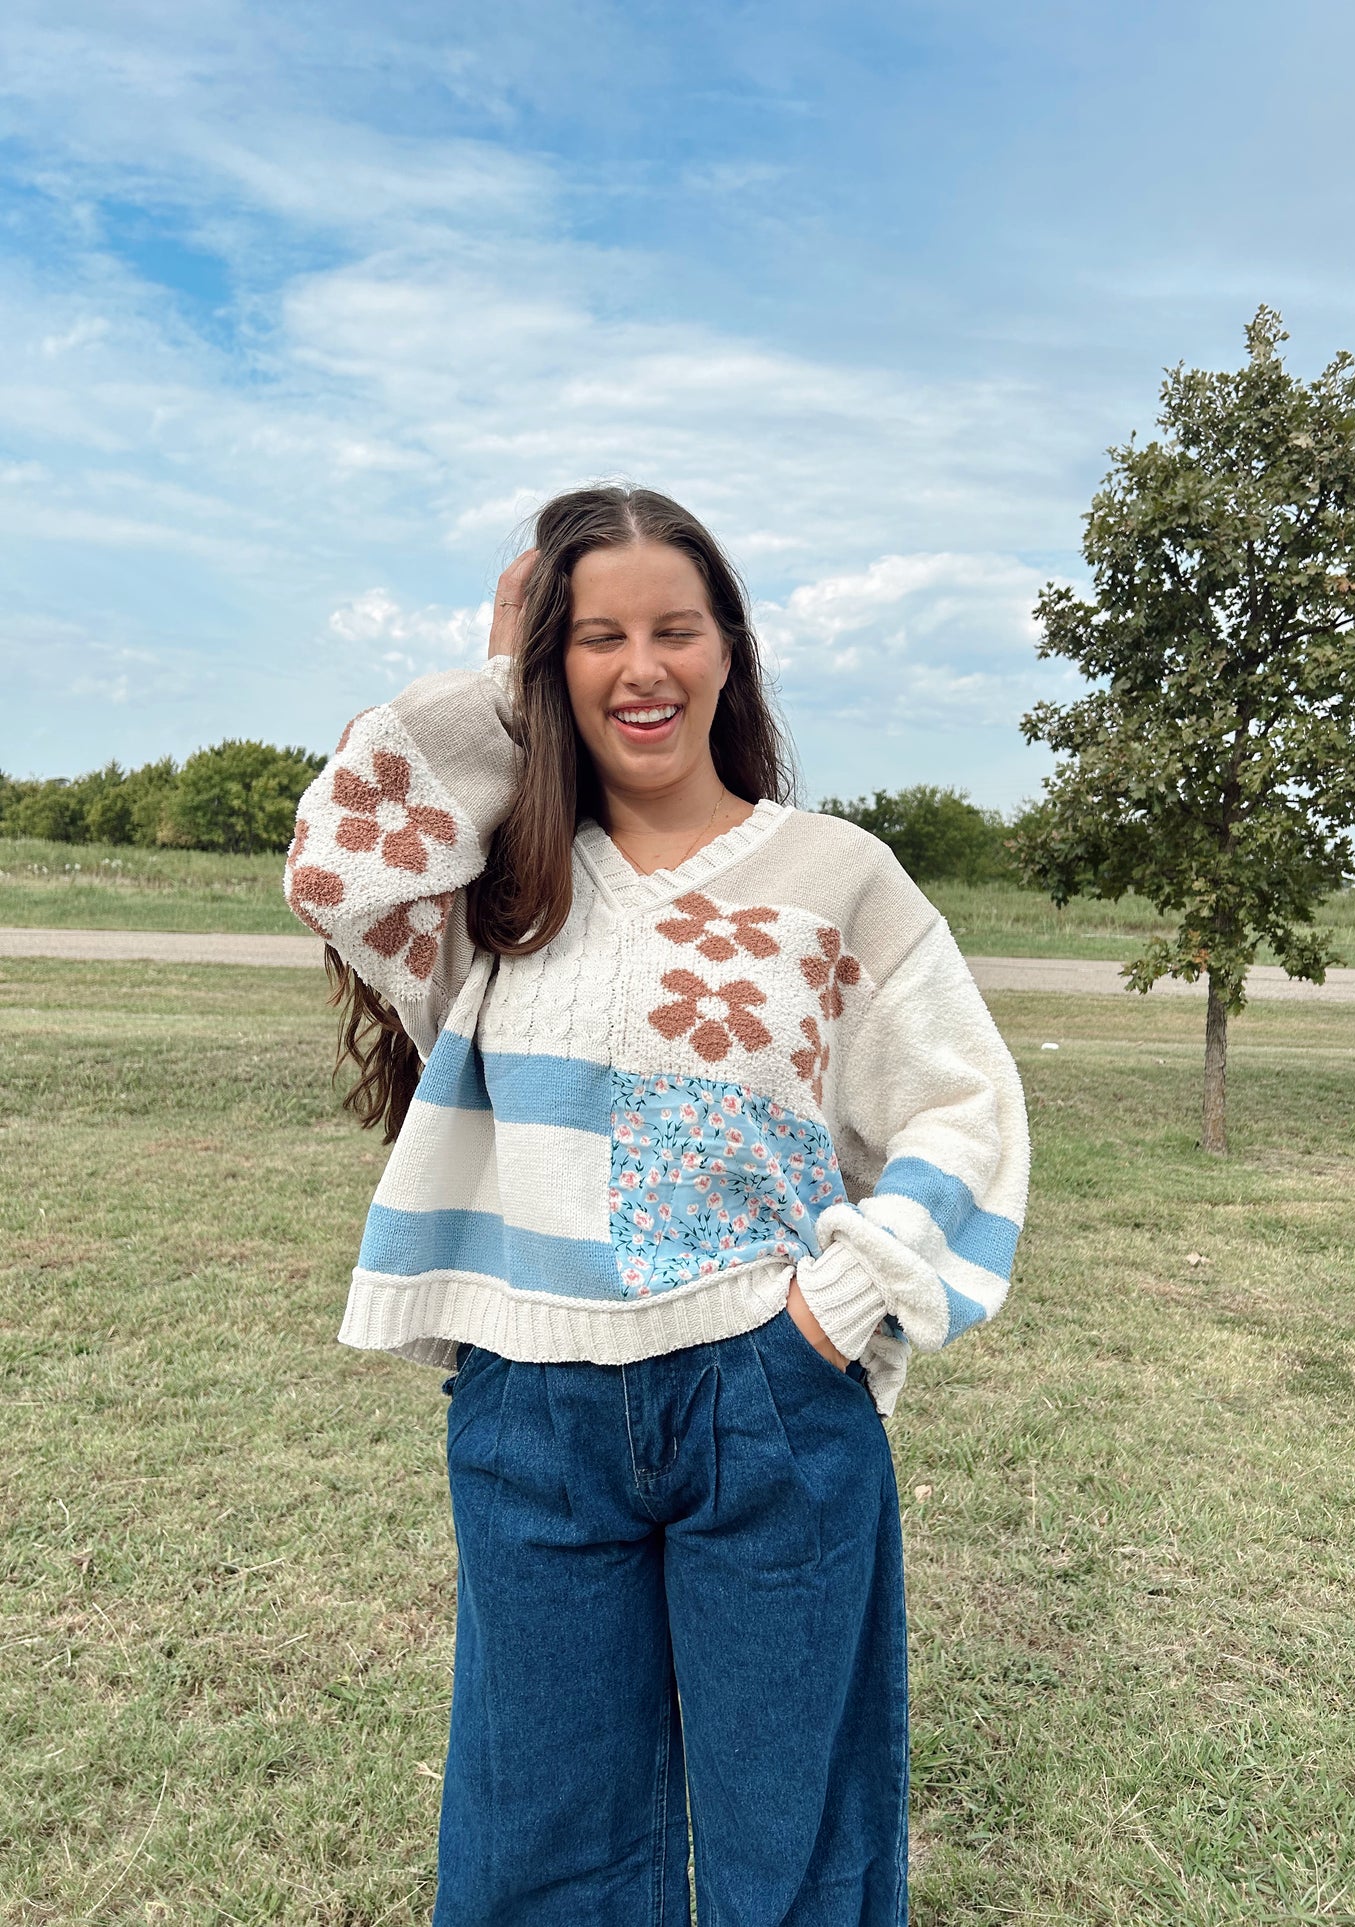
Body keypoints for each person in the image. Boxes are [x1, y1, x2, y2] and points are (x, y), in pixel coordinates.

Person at [284, 484, 1030, 1926]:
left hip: (769, 1394)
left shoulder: (838, 879)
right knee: (537, 1851)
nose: (642, 667)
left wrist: (842, 1303)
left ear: (727, 650)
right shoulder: (494, 892)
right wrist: (500, 678)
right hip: (533, 1406)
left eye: (675, 629)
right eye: (594, 635)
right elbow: (337, 856)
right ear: (551, 665)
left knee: (795, 1849)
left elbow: (961, 1102)